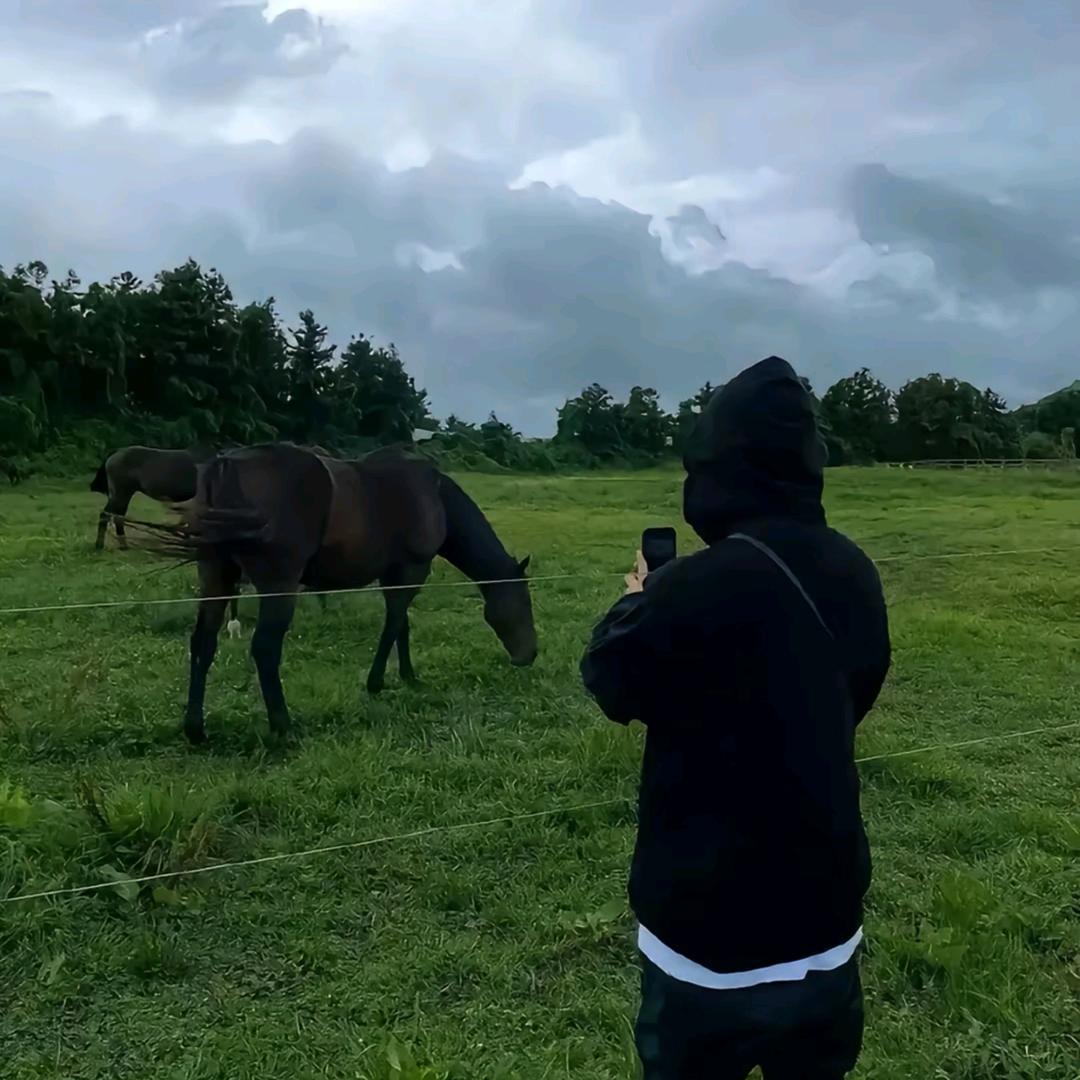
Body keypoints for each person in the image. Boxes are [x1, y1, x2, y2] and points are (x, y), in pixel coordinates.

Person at [580, 356, 891, 1079]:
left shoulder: (690, 588)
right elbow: (859, 690)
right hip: (826, 929)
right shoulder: (855, 569)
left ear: (716, 468)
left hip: (702, 944)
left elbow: (610, 680)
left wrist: (640, 595)